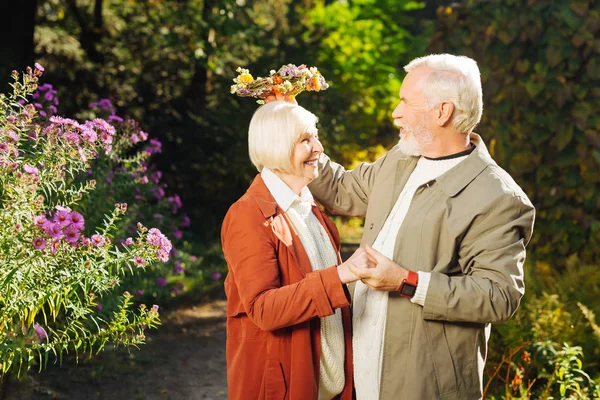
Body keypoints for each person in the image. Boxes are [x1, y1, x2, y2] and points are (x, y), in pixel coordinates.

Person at [306, 54, 536, 399]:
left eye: (405, 102)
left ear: (442, 112)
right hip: (359, 375)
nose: (396, 113)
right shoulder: (400, 159)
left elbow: (498, 296)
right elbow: (340, 190)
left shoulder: (497, 197)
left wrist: (405, 281)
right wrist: (296, 128)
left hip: (424, 386)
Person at [221, 100, 371, 400]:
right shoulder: (248, 215)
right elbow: (264, 309)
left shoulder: (307, 207)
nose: (318, 148)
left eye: (315, 136)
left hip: (329, 389)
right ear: (276, 146)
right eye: (306, 140)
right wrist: (340, 275)